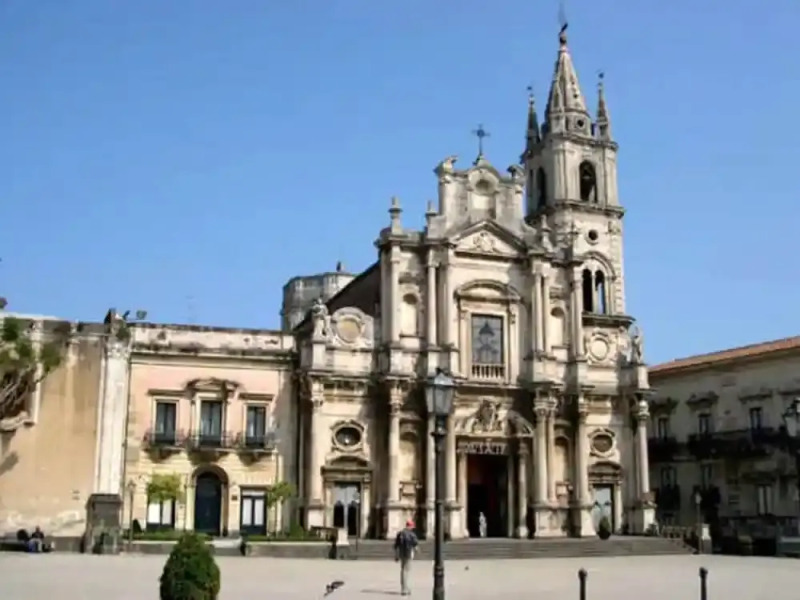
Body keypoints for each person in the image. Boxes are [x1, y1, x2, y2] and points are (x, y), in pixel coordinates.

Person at [394, 520, 418, 596]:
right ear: (410, 526)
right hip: (408, 553)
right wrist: (417, 551)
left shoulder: (400, 534)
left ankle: (404, 587)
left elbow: (396, 545)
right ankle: (404, 589)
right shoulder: (412, 534)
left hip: (401, 554)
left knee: (403, 570)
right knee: (406, 571)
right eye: (412, 526)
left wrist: (396, 555)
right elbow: (415, 545)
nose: (412, 528)